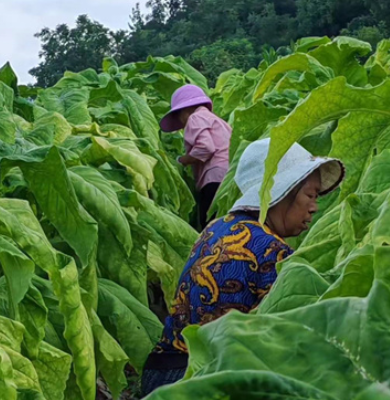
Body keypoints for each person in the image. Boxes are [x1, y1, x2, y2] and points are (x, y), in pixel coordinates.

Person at [140, 138, 345, 396]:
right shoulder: (272, 249)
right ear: (283, 192)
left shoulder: (217, 227)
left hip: (160, 375)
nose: (315, 207)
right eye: (311, 195)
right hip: (203, 381)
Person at [160, 84, 231, 229]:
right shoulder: (219, 122)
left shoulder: (195, 118)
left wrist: (182, 160)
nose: (182, 123)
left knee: (210, 228)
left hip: (214, 178)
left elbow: (206, 148)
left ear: (184, 111)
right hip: (229, 179)